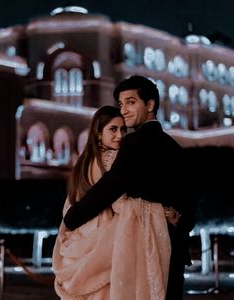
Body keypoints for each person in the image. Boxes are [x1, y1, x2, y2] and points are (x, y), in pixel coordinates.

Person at [64, 75, 197, 300]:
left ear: (150, 105)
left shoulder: (134, 143)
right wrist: (179, 220)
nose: (124, 110)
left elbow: (110, 187)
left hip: (148, 249)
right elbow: (190, 199)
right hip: (176, 249)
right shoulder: (175, 148)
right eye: (121, 104)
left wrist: (73, 217)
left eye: (131, 102)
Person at [53, 104, 172, 300]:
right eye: (113, 129)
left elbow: (73, 205)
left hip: (81, 238)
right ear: (99, 134)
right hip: (104, 241)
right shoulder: (113, 158)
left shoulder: (84, 162)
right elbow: (120, 203)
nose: (120, 136)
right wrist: (159, 211)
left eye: (123, 129)